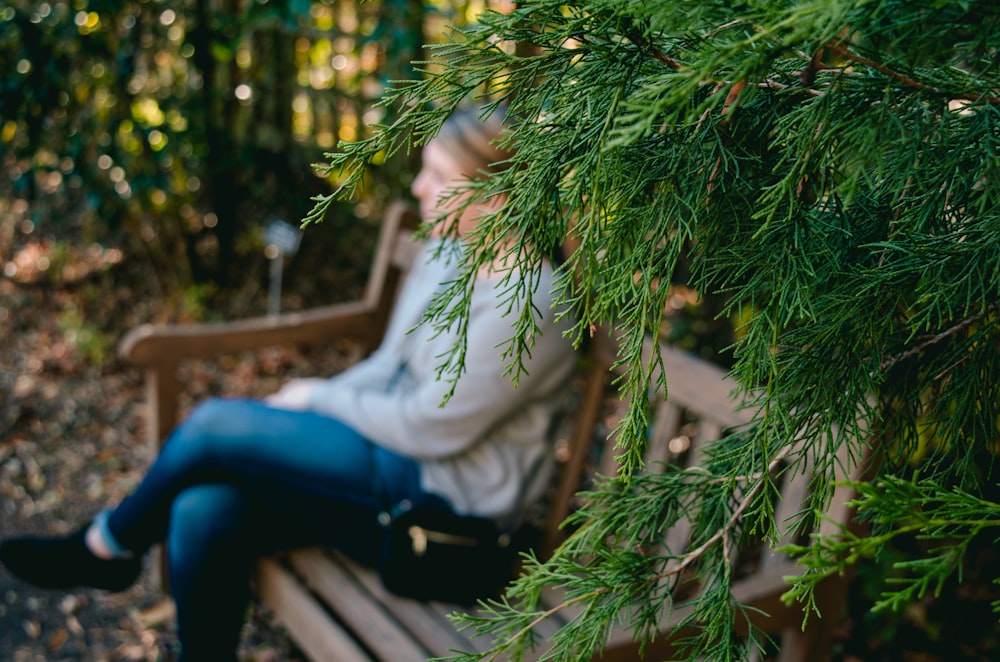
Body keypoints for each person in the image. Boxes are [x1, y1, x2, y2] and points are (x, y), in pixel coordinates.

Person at [0, 106, 577, 662]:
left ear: (495, 195)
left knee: (213, 425)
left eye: (437, 176)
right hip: (389, 459)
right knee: (204, 508)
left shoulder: (533, 301)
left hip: (442, 509)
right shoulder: (451, 249)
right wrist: (314, 416)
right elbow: (387, 364)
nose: (420, 189)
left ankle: (105, 547)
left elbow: (435, 427)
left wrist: (319, 399)